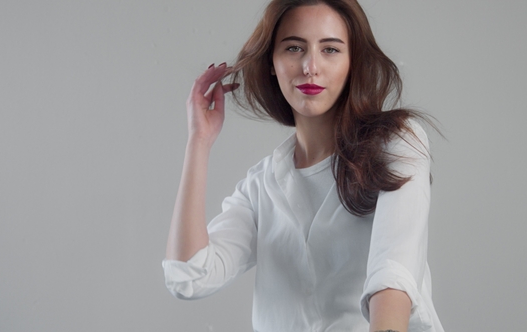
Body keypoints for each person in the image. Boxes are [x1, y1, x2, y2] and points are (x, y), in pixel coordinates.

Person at [163, 0, 444, 331]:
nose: (310, 66)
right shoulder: (261, 185)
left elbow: (393, 277)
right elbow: (188, 277)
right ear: (272, 62)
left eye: (331, 50)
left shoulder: (397, 142)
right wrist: (199, 142)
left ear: (353, 62)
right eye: (294, 48)